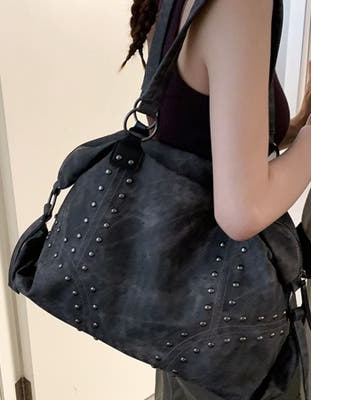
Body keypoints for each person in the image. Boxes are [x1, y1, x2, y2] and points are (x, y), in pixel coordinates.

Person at [120, 0, 311, 399]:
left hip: (183, 298)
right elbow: (241, 213)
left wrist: (294, 129)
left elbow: (193, 128)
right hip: (228, 321)